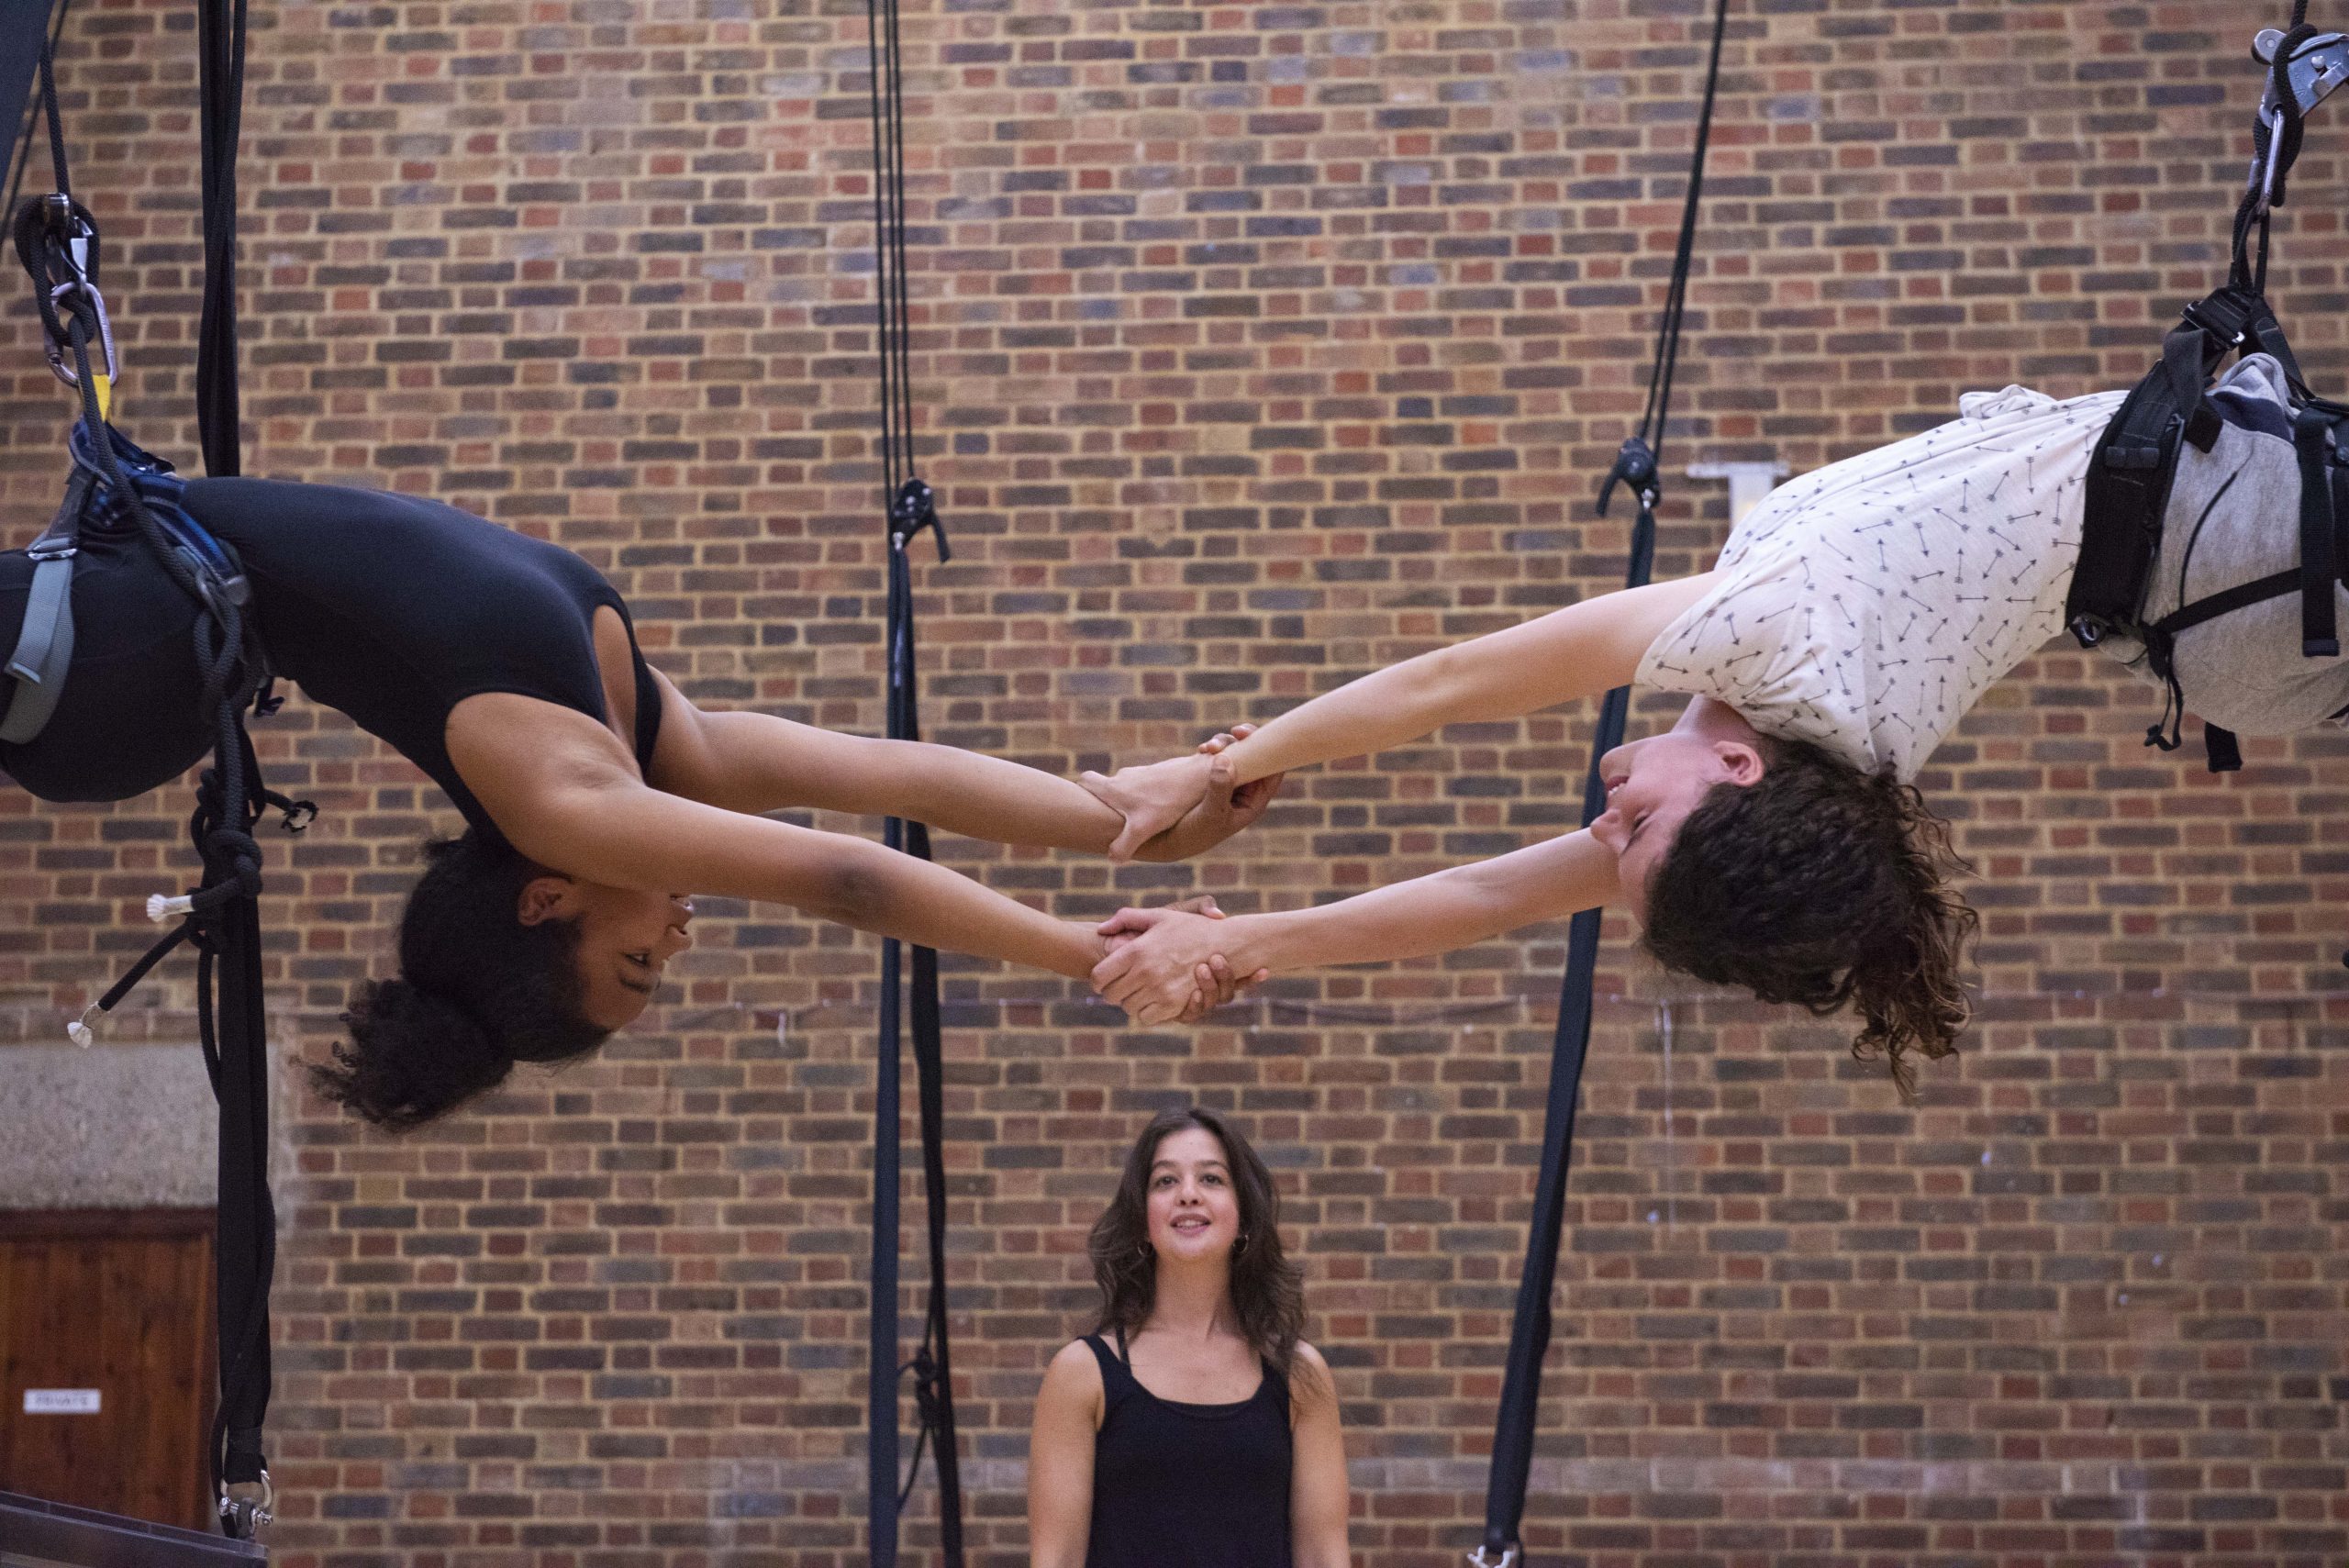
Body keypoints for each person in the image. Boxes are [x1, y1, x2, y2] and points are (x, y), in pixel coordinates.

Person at [1082, 361, 2337, 1093]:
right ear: (1736, 771)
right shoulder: (1776, 637)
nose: (1600, 816)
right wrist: (1220, 765)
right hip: (2247, 539)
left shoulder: (1827, 764)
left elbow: (1478, 898)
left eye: (1614, 839)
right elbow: (1452, 679)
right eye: (1631, 822)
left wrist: (1250, 937)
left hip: (2250, 593)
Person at [0, 458, 1278, 1127]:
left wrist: (1088, 956)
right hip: (121, 627)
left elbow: (846, 873)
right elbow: (886, 771)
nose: (679, 936)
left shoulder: (564, 803)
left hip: (101, 668)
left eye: (638, 967)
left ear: (546, 901)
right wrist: (1122, 820)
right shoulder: (633, 741)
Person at [1027, 1106, 1348, 1568]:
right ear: (1142, 1219)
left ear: (1243, 1215)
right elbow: (1055, 1559)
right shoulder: (1082, 1374)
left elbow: (1323, 1557)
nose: (1188, 1195)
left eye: (1212, 1179)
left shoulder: (1297, 1374)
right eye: (1165, 1181)